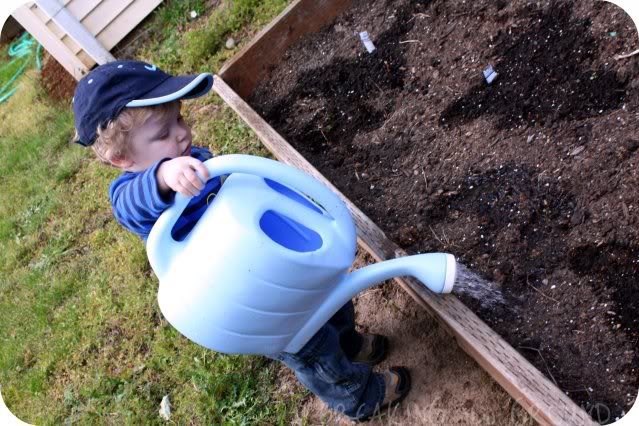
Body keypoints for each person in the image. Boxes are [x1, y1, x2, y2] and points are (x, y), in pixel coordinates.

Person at [72, 60, 411, 421]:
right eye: (163, 133)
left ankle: (349, 343)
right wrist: (162, 175)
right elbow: (132, 206)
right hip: (246, 291)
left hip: (266, 257)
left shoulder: (191, 156)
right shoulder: (133, 191)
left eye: (180, 119)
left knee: (332, 299)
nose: (183, 135)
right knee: (309, 343)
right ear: (121, 157)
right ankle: (357, 395)